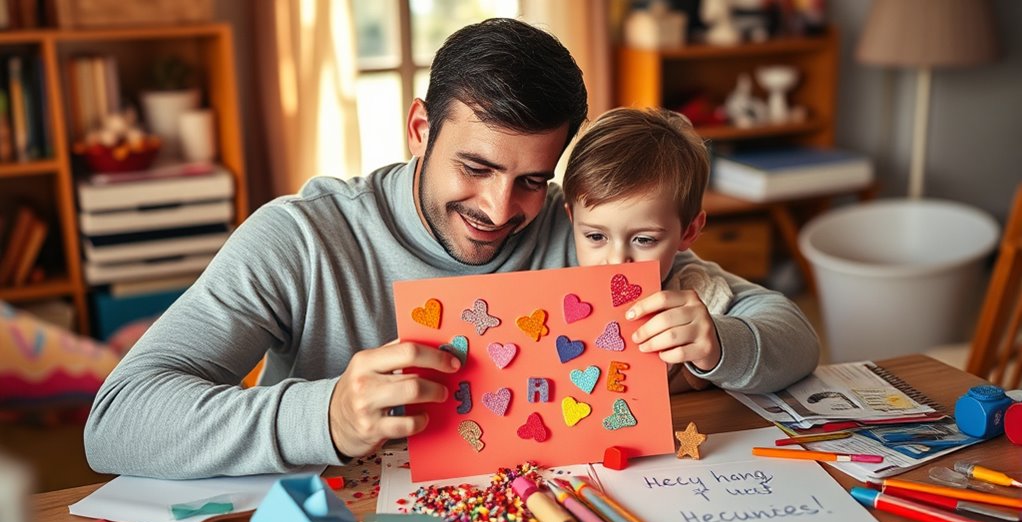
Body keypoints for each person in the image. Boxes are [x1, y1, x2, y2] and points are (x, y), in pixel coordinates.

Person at [84, 20, 815, 480]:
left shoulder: (590, 234)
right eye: (475, 167)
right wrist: (327, 415)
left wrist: (719, 345)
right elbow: (116, 420)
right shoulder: (301, 238)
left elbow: (790, 334)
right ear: (419, 130)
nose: (499, 210)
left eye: (531, 179)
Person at [562, 107, 819, 394]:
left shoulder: (693, 285)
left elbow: (802, 343)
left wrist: (719, 345)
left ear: (689, 232)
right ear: (572, 219)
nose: (617, 261)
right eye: (596, 236)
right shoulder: (555, 269)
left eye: (644, 240)